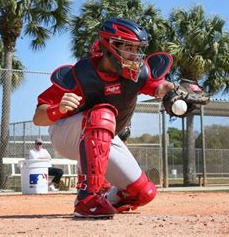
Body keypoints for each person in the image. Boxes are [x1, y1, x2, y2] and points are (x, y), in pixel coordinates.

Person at [33, 17, 176, 218]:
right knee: (102, 114)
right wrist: (58, 108)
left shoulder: (137, 73)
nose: (135, 55)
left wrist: (173, 91)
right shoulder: (81, 74)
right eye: (129, 48)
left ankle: (107, 199)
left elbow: (160, 86)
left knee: (144, 193)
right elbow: (38, 118)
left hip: (102, 137)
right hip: (66, 134)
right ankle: (88, 200)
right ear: (110, 46)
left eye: (137, 49)